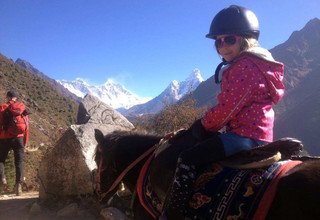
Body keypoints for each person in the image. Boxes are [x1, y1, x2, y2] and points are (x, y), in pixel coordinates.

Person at [160, 5, 285, 219]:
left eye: (229, 39)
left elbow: (227, 109)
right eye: (218, 41)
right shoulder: (259, 65)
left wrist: (202, 125)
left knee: (188, 158)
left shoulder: (245, 67)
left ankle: (173, 213)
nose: (222, 46)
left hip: (245, 136)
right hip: (258, 134)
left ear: (246, 39)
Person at [0, 90, 29, 196]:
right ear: (15, 98)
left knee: (0, 160)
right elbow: (26, 126)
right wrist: (24, 141)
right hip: (19, 138)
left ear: (8, 97)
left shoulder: (2, 107)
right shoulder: (21, 108)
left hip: (4, 138)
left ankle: (3, 179)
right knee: (19, 162)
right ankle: (18, 186)